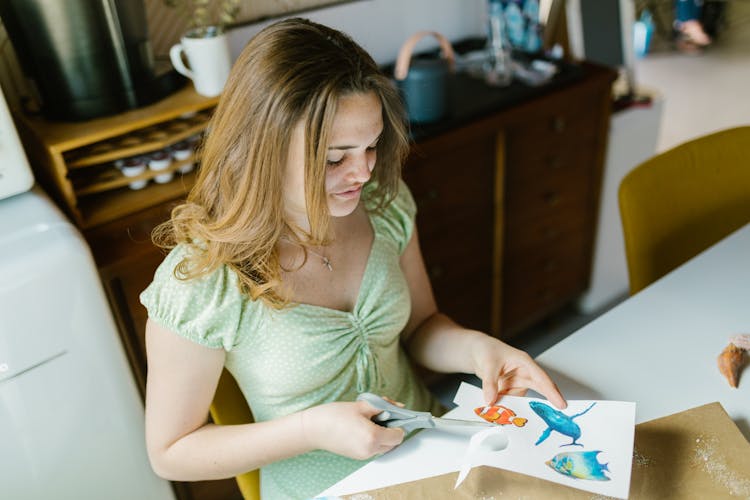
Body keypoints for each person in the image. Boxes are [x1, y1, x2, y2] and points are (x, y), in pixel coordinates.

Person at [140, 17, 567, 499]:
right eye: (334, 158)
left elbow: (422, 327)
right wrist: (310, 430)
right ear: (263, 150)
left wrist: (478, 350)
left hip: (438, 458)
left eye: (371, 146)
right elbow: (170, 450)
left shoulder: (383, 206)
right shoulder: (202, 280)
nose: (362, 172)